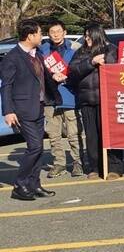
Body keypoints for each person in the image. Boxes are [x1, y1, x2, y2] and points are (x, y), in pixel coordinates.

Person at [1, 20, 64, 200]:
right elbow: (6, 86)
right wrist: (8, 111)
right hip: (22, 109)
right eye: (39, 33)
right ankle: (20, 184)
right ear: (30, 36)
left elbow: (41, 76)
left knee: (38, 148)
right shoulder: (12, 57)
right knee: (34, 147)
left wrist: (54, 76)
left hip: (38, 107)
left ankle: (34, 185)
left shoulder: (38, 54)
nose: (41, 36)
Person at [68, 24, 122, 180]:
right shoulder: (81, 51)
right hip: (86, 99)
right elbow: (73, 70)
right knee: (91, 136)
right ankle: (94, 167)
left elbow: (115, 68)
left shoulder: (110, 48)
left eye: (89, 36)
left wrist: (103, 60)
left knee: (109, 134)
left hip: (106, 99)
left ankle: (114, 167)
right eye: (85, 36)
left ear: (98, 35)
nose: (86, 39)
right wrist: (91, 62)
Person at [39, 20, 84, 179]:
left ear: (65, 32)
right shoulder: (43, 49)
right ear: (48, 34)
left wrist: (68, 76)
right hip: (50, 97)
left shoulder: (75, 48)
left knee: (74, 133)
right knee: (53, 134)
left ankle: (78, 162)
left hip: (70, 95)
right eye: (52, 32)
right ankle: (59, 163)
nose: (56, 34)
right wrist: (51, 75)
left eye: (59, 31)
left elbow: (80, 69)